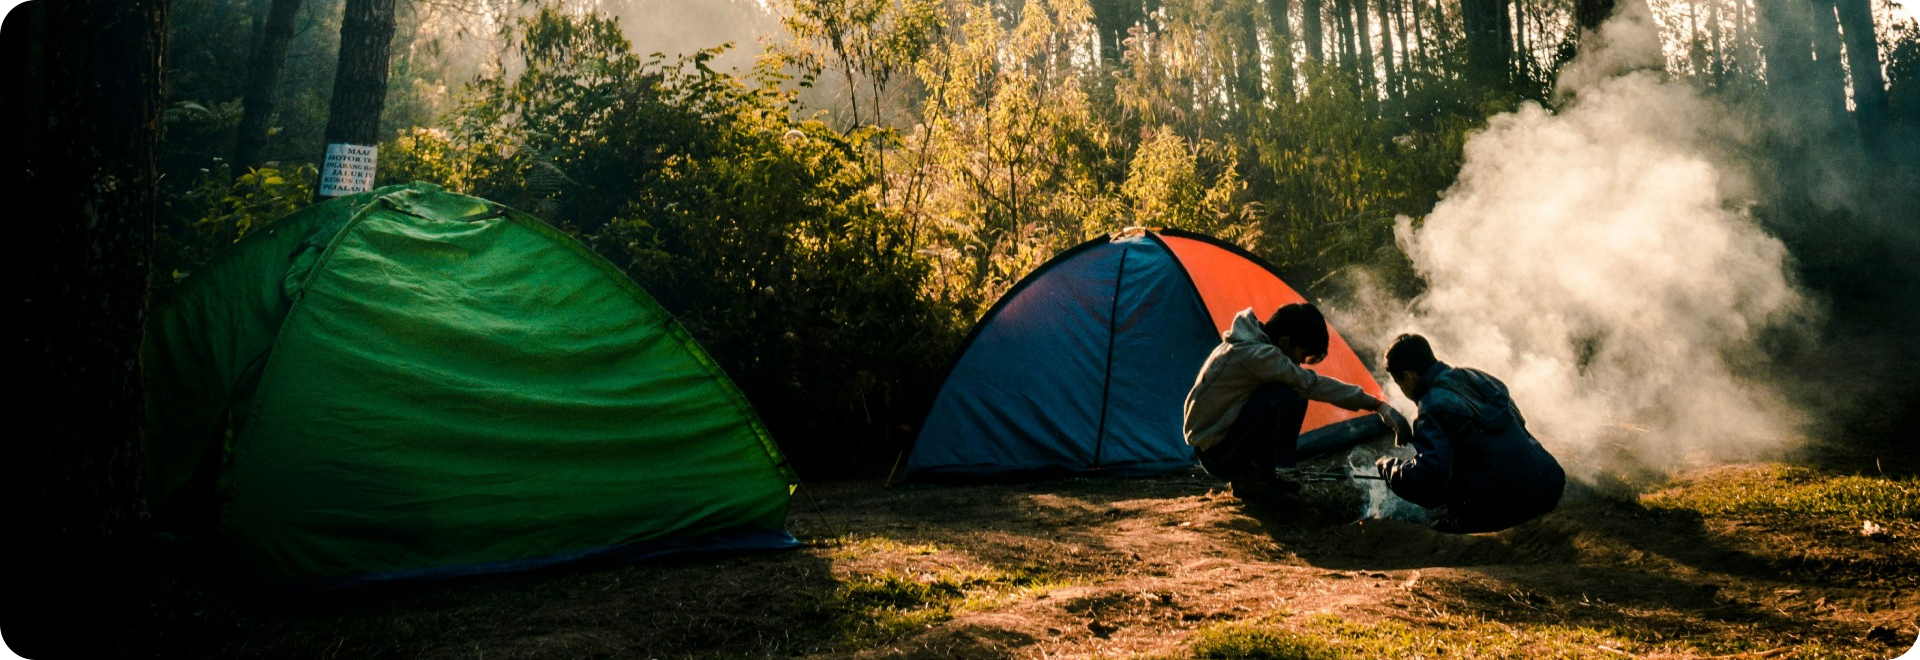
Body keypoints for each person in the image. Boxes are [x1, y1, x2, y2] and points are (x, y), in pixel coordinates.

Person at [1184, 303, 1403, 501]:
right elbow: (1311, 384)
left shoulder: (1250, 343)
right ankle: (1261, 477)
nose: (1300, 362)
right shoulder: (1257, 356)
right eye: (1303, 355)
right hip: (1218, 455)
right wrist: (1377, 405)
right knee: (1287, 392)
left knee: (1291, 389)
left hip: (1218, 446)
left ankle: (1266, 474)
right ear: (1286, 341)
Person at [1374, 333, 1565, 533]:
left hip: (1508, 505)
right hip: (1547, 484)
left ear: (1409, 376)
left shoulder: (1432, 406)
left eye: (1399, 382)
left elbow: (1431, 477)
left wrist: (1389, 468)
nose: (1402, 390)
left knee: (1440, 525)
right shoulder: (1475, 376)